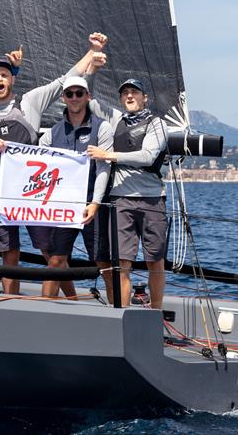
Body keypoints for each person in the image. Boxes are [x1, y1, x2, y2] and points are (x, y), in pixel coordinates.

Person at [0, 35, 109, 295]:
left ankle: (70, 300)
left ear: (12, 78)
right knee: (8, 253)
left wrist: (91, 52)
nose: (0, 80)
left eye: (4, 75)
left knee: (50, 251)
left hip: (36, 194)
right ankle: (9, 304)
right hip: (0, 194)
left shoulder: (30, 102)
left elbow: (63, 82)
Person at [87, 77, 168, 309]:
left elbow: (148, 156)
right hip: (121, 200)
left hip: (152, 200)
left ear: (145, 98)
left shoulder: (157, 124)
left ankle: (156, 312)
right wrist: (95, 66)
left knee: (155, 261)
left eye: (134, 92)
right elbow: (91, 98)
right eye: (125, 93)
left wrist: (110, 155)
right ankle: (122, 316)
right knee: (122, 264)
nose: (129, 96)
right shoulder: (115, 119)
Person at [38, 75, 113, 298]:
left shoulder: (102, 128)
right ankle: (44, 315)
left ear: (88, 96)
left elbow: (103, 169)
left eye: (79, 93)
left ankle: (114, 316)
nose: (74, 98)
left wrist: (96, 203)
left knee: (104, 263)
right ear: (63, 98)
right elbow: (38, 168)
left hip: (92, 204)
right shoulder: (52, 133)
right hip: (63, 206)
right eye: (69, 94)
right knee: (55, 260)